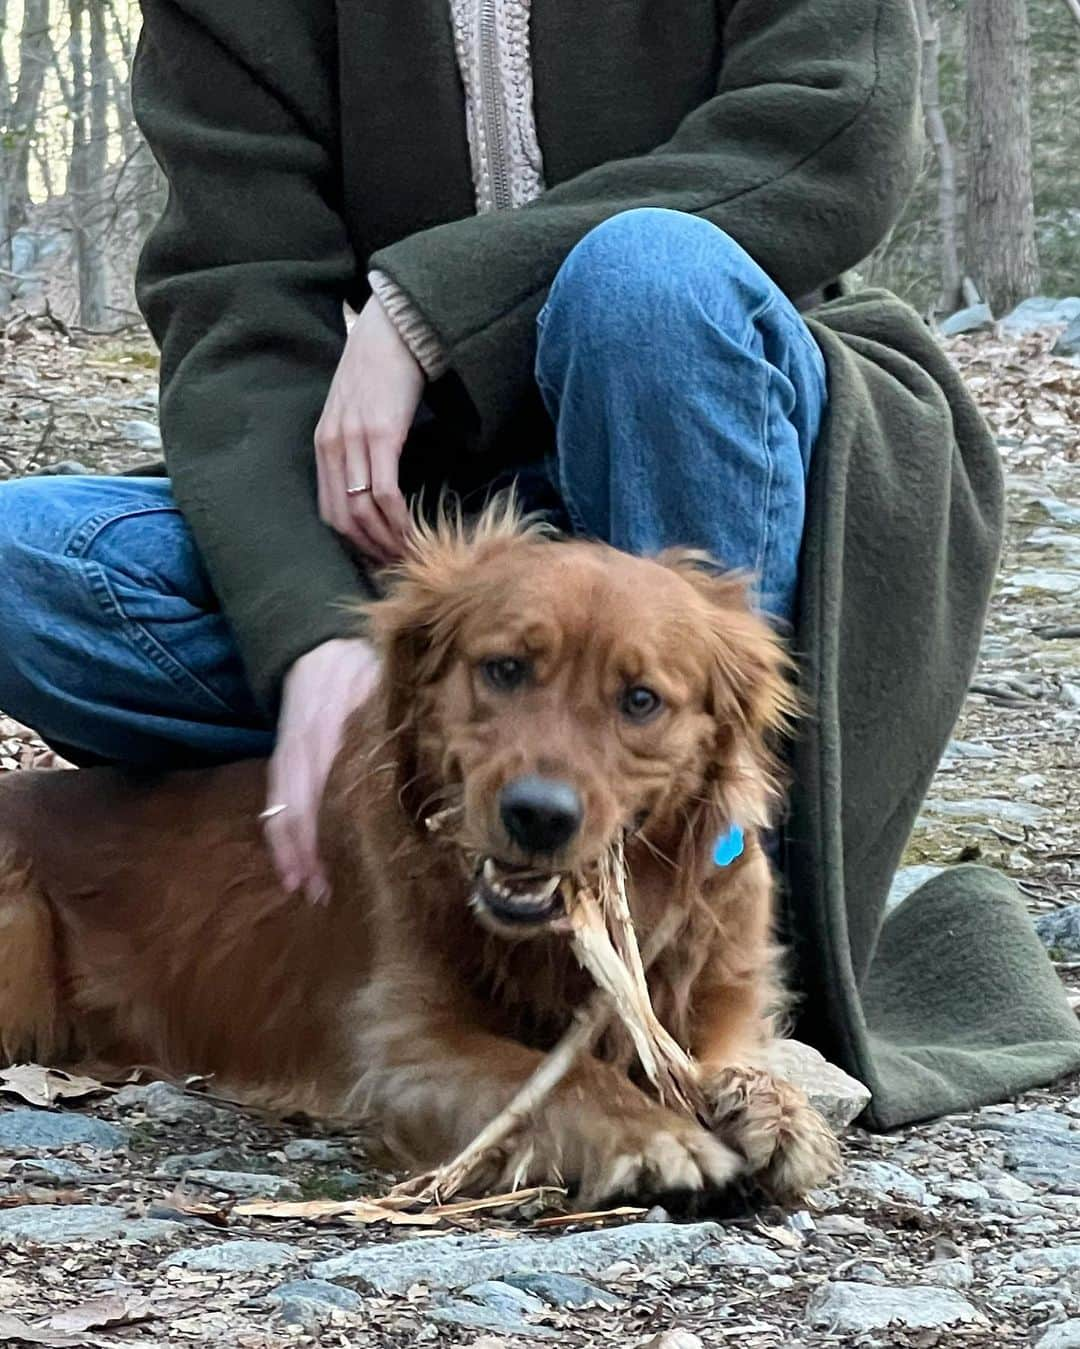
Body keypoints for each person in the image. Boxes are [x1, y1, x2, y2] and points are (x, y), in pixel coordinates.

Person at [2, 1, 1078, 1126]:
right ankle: (414, 872)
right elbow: (239, 309)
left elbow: (831, 135)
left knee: (649, 277)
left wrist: (428, 310)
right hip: (417, 546)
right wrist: (310, 630)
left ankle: (715, 940)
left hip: (689, 430)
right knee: (17, 564)